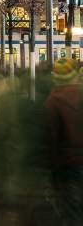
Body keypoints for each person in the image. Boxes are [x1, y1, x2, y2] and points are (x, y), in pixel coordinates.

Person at [44, 58, 83, 224]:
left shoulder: (52, 103)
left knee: (73, 212)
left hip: (69, 165)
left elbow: (52, 140)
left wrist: (53, 172)